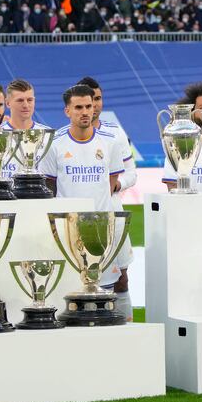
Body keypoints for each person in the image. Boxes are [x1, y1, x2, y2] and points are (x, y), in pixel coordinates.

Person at [41, 84, 130, 319]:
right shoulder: (55, 144)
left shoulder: (110, 142)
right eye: (78, 107)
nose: (85, 112)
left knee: (104, 291)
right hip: (68, 231)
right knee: (69, 292)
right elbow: (50, 188)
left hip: (101, 230)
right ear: (67, 111)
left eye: (88, 106)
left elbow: (110, 184)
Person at [74, 76, 137, 315]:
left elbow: (132, 174)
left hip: (112, 214)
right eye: (89, 101)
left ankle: (125, 326)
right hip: (80, 219)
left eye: (98, 99)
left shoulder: (115, 135)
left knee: (121, 278)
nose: (94, 105)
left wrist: (115, 185)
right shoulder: (63, 138)